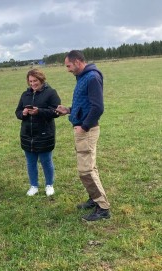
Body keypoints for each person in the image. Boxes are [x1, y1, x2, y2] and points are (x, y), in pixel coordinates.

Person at [56, 50, 110, 221]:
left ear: (78, 62)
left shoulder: (92, 77)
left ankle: (103, 208)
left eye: (69, 65)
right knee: (89, 168)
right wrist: (69, 110)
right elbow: (85, 104)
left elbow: (98, 107)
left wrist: (84, 126)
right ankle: (94, 198)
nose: (68, 69)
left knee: (86, 170)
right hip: (82, 128)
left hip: (86, 131)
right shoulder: (83, 77)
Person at [15, 69, 61, 197]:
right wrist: (23, 113)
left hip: (44, 134)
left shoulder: (51, 93)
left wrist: (39, 111)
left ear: (41, 80)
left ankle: (49, 185)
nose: (33, 84)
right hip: (27, 135)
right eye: (30, 81)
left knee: (46, 161)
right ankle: (33, 186)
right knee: (30, 162)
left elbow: (56, 112)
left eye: (35, 81)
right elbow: (17, 112)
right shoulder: (25, 95)